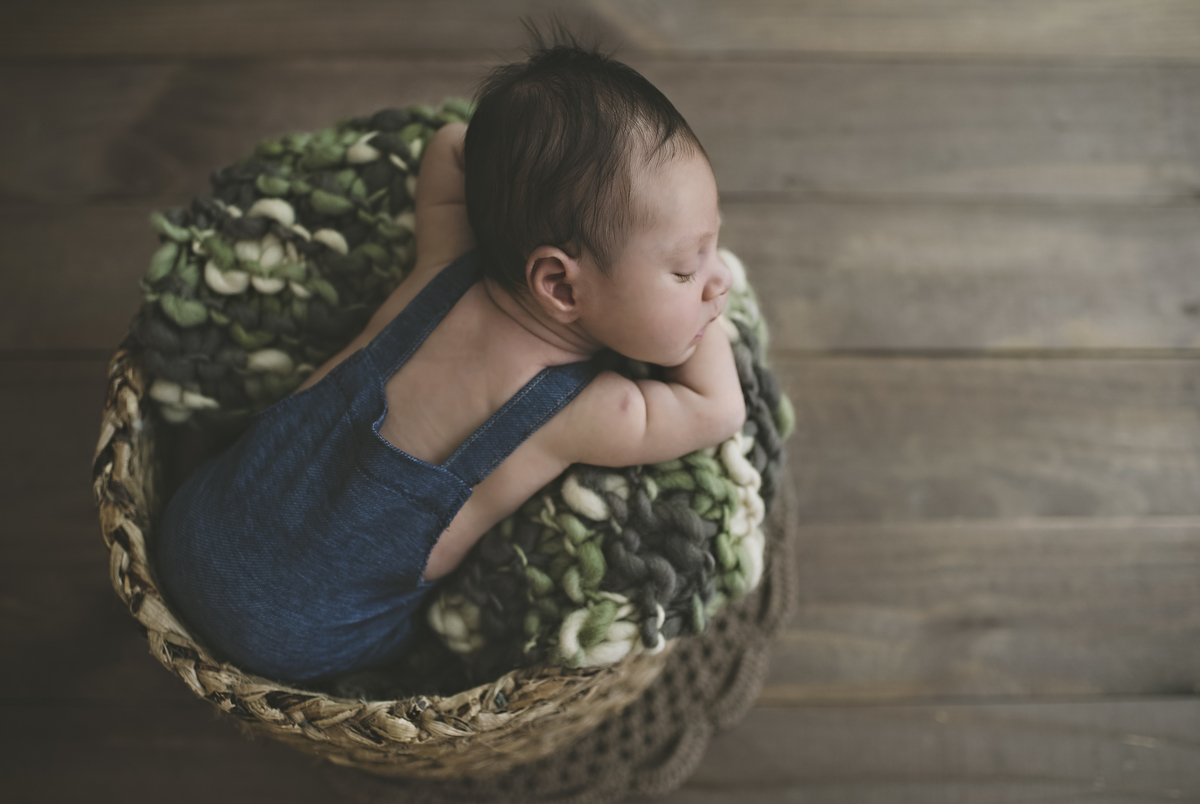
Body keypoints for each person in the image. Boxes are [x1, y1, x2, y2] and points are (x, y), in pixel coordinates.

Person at [154, 19, 744, 685]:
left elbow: (452, 145)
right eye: (687, 270)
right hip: (302, 637)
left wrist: (519, 178)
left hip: (197, 527)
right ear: (558, 285)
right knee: (422, 660)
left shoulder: (442, 267)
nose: (719, 278)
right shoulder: (586, 411)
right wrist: (710, 319)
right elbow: (717, 408)